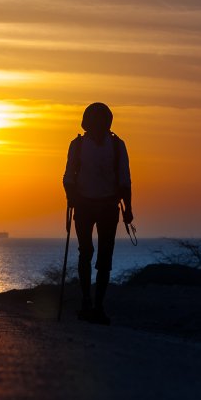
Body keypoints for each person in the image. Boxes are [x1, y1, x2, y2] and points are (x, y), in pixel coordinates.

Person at [62, 102, 132, 325]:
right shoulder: (78, 145)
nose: (98, 124)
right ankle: (86, 302)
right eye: (95, 120)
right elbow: (68, 177)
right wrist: (71, 197)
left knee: (104, 257)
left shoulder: (117, 145)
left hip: (108, 206)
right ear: (87, 123)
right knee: (86, 252)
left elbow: (125, 179)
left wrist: (128, 208)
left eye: (102, 120)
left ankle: (98, 306)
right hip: (83, 205)